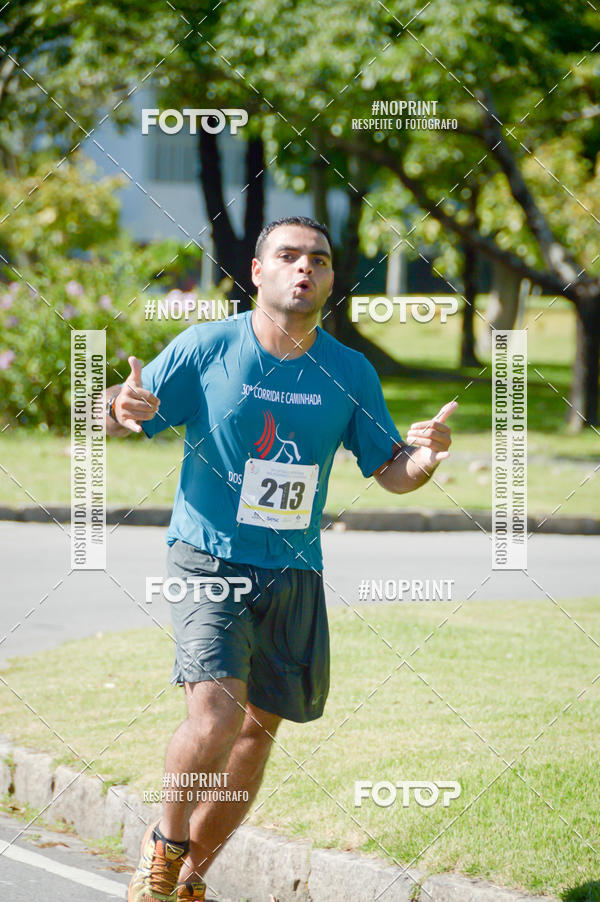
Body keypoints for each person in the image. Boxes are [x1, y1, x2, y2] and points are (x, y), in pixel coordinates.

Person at [105, 216, 456, 902]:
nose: (305, 268)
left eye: (318, 260)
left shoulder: (349, 371)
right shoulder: (207, 347)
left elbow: (390, 470)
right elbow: (118, 412)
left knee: (257, 734)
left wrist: (426, 458)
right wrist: (119, 408)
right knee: (215, 713)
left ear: (330, 277)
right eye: (289, 256)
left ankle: (190, 881)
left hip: (294, 567)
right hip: (207, 555)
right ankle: (165, 847)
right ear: (257, 272)